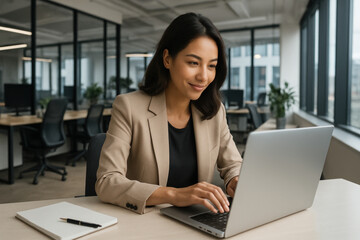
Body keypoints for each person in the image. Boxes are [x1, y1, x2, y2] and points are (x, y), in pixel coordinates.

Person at [96, 12, 242, 214]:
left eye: (212, 66)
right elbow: (107, 182)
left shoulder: (214, 111)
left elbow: (233, 164)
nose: (203, 76)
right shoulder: (128, 107)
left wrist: (236, 179)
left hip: (197, 221)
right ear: (167, 59)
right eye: (193, 63)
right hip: (145, 223)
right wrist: (174, 195)